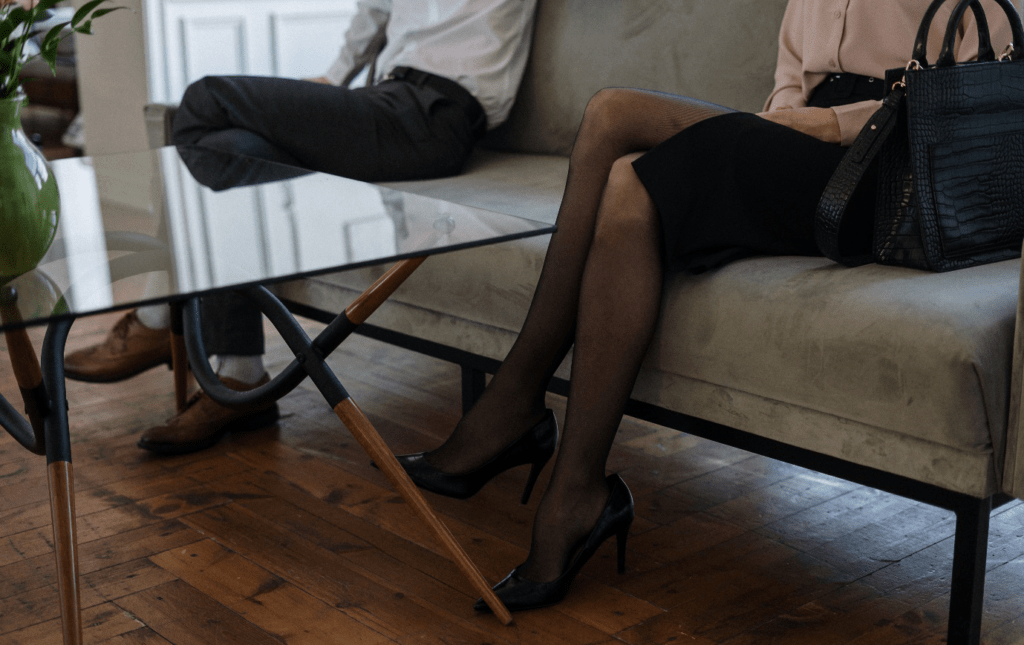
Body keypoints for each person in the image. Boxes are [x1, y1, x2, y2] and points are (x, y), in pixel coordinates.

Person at [393, 0, 1018, 612]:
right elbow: (791, 80)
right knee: (620, 150)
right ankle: (553, 456)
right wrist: (778, 129)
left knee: (624, 151)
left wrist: (822, 127)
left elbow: (977, 96)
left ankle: (535, 438)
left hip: (895, 165)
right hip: (806, 145)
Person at [63, 0, 538, 454]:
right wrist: (333, 77)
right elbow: (377, 9)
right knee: (231, 146)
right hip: (384, 96)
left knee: (204, 100)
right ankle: (241, 376)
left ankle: (162, 314)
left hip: (435, 115)